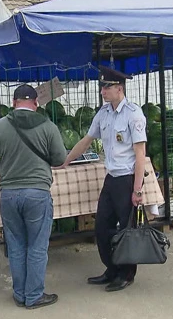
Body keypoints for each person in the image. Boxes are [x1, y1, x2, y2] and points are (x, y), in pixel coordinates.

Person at [59, 66, 147, 292]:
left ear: (119, 88)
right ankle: (111, 268)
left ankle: (126, 274)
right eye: (102, 87)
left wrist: (137, 190)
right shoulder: (104, 113)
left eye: (106, 87)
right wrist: (66, 160)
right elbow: (87, 140)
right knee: (102, 227)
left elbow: (140, 153)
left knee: (127, 230)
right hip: (111, 178)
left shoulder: (133, 114)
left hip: (127, 179)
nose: (102, 91)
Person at [0, 84, 67, 309]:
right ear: (36, 103)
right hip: (37, 193)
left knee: (16, 245)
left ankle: (20, 294)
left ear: (14, 102)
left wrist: (5, 169)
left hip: (9, 193)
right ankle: (35, 295)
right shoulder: (48, 126)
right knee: (37, 246)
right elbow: (59, 158)